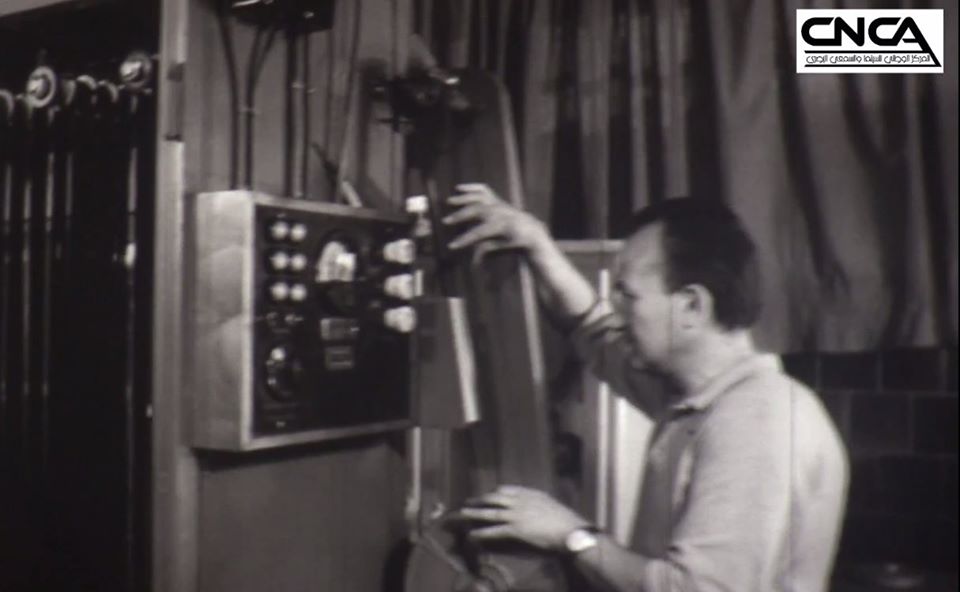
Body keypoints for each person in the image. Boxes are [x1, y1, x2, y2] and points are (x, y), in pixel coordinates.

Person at [443, 184, 849, 592]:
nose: (615, 309)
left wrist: (570, 535)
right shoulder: (703, 399)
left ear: (691, 306)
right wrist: (537, 244)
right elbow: (594, 332)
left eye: (627, 295)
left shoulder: (755, 421)